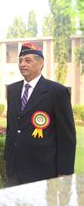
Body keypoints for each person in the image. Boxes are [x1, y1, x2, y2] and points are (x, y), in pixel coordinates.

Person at [5, 42, 76, 186]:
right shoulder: (12, 90)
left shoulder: (57, 92)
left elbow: (66, 136)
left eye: (28, 60)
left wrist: (65, 172)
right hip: (14, 170)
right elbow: (12, 127)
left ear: (41, 63)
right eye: (20, 61)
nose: (22, 64)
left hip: (42, 171)